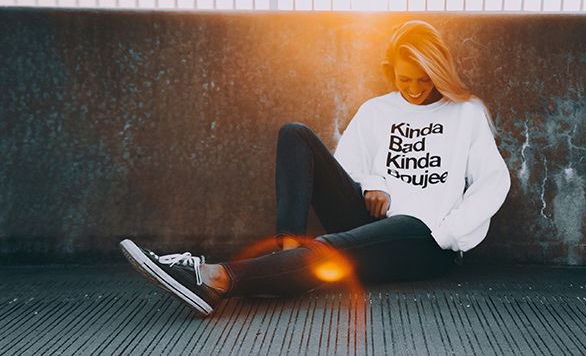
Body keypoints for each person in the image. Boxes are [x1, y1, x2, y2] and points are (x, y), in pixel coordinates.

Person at [120, 20, 511, 316]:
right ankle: (287, 256)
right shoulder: (376, 110)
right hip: (367, 222)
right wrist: (375, 182)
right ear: (389, 70)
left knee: (340, 244)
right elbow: (347, 168)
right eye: (404, 78)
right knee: (296, 134)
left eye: (424, 80)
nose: (413, 88)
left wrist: (447, 233)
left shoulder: (465, 113)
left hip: (422, 239)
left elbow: (494, 182)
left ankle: (214, 278)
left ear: (439, 72)